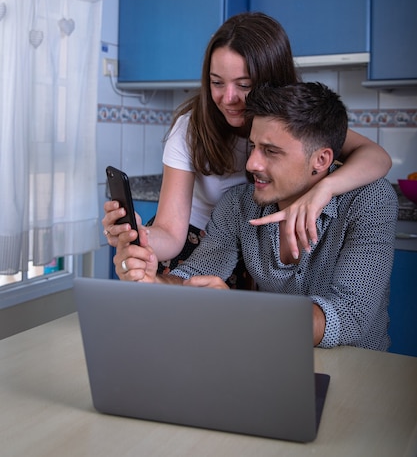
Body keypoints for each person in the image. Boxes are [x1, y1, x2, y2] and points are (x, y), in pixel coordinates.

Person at [103, 12, 392, 284]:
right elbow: (170, 232)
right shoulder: (192, 127)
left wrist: (323, 190)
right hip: (201, 249)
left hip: (257, 249)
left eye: (244, 85)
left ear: (271, 79)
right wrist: (139, 238)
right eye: (217, 83)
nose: (228, 98)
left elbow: (377, 157)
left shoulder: (295, 122)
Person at [114, 82, 398, 351]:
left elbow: (348, 316)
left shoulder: (370, 200)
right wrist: (153, 282)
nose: (251, 164)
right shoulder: (239, 204)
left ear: (321, 160)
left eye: (271, 151)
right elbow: (193, 277)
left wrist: (242, 314)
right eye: (253, 147)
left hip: (356, 367)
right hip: (271, 357)